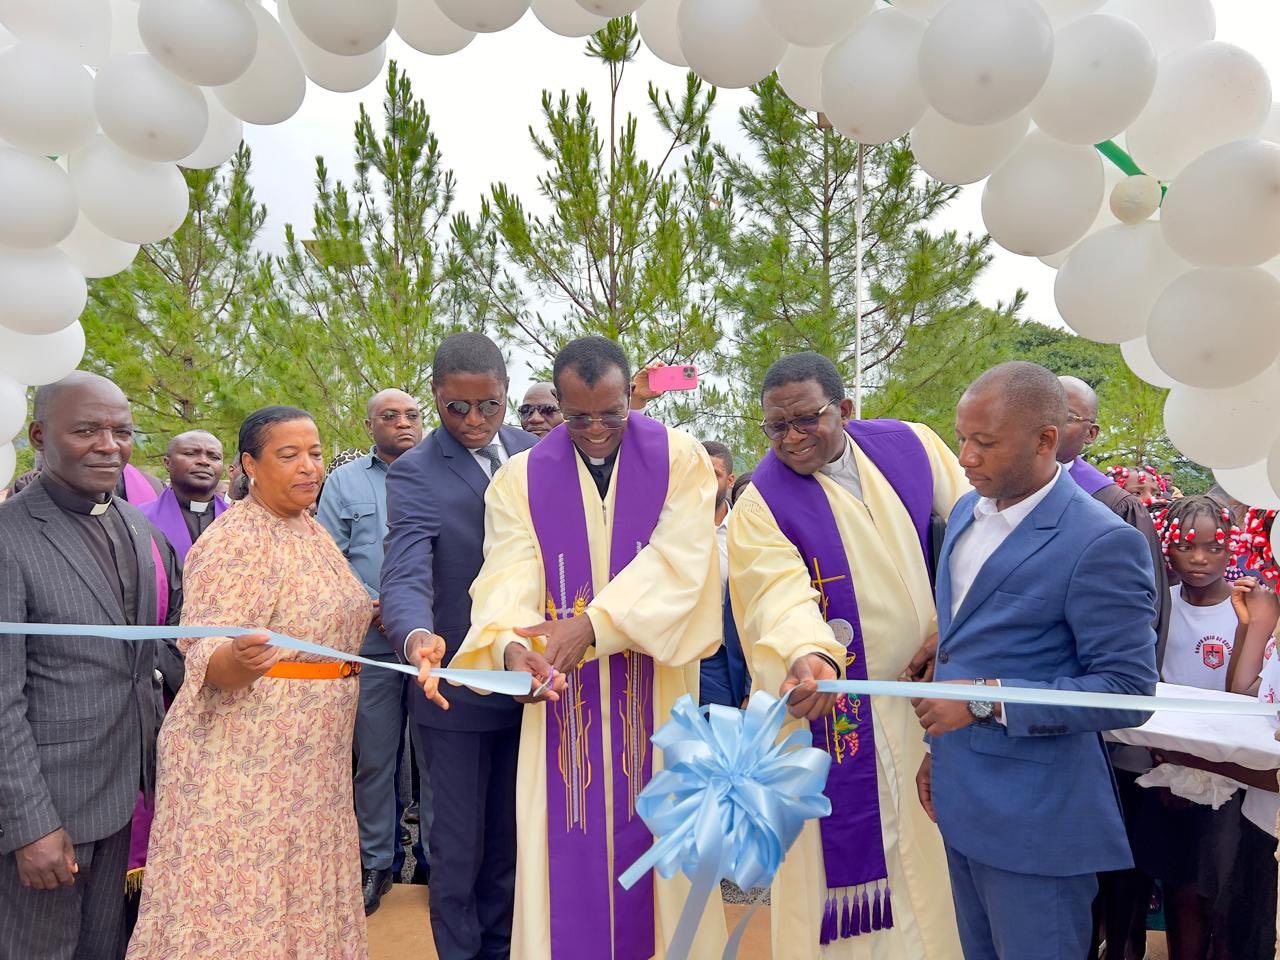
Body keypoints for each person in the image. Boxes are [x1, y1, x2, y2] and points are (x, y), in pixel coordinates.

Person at [125, 406, 446, 960]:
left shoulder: (310, 532)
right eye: (289, 455)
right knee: (243, 911)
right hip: (244, 769)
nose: (308, 468)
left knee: (297, 904)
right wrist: (237, 660)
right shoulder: (235, 541)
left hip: (308, 766)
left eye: (316, 454)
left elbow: (326, 613)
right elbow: (205, 651)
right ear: (250, 465)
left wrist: (403, 627)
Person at [451, 335, 727, 960]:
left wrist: (594, 626)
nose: (596, 429)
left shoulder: (679, 458)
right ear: (558, 403)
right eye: (578, 417)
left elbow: (681, 562)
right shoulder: (520, 478)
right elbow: (507, 573)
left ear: (630, 395)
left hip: (656, 698)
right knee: (561, 856)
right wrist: (509, 648)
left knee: (664, 868)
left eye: (610, 414)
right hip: (560, 705)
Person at [727, 351, 968, 960]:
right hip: (833, 713)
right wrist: (811, 656)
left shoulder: (911, 447)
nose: (792, 438)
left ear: (846, 410)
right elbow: (774, 594)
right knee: (841, 889)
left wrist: (954, 628)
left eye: (806, 420)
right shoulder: (761, 500)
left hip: (924, 703)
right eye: (776, 427)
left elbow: (979, 527)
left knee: (931, 861)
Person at [920, 361, 1158, 960]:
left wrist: (980, 702)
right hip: (961, 799)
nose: (966, 456)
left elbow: (1126, 689)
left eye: (985, 442)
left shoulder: (1101, 541)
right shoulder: (966, 522)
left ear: (1046, 440)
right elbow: (965, 646)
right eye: (962, 437)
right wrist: (938, 756)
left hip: (1038, 823)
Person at [0, 372, 183, 960]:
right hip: (49, 809)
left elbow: (157, 655)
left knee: (106, 948)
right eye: (86, 430)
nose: (109, 445)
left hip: (126, 796)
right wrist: (30, 824)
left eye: (122, 431)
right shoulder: (9, 538)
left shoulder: (135, 526)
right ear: (38, 435)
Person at [381, 334, 537, 960]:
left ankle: (504, 949)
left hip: (533, 684)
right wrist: (418, 637)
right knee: (458, 848)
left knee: (512, 840)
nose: (474, 421)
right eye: (456, 408)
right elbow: (405, 570)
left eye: (490, 405)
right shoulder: (415, 471)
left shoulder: (538, 454)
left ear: (507, 393)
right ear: (436, 398)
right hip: (453, 691)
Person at [1054, 376, 1170, 960]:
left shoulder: (1114, 507)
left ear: (1091, 432)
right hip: (1041, 728)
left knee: (1112, 863)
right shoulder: (995, 507)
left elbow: (1147, 621)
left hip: (1103, 729)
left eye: (1065, 414)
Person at [317, 389, 430, 915]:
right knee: (375, 760)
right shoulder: (343, 483)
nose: (402, 423)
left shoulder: (443, 474)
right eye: (389, 416)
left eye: (411, 415)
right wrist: (378, 607)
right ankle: (376, 862)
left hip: (437, 645)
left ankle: (436, 858)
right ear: (370, 426)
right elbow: (328, 558)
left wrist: (413, 613)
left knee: (437, 759)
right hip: (372, 643)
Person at [1134, 497, 1249, 960]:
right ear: (1167, 548)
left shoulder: (1248, 608)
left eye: (1213, 548)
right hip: (1160, 765)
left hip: (1229, 772)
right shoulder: (1159, 606)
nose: (1199, 559)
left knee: (1220, 892)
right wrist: (1166, 758)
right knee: (1178, 886)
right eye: (1184, 546)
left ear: (1232, 549)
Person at [699, 440, 749, 708]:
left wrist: (751, 687)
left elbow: (755, 608)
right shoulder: (669, 528)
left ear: (729, 480)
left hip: (722, 661)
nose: (705, 481)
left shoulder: (745, 533)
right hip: (674, 660)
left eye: (714, 474)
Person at [138, 430, 229, 563]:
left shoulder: (240, 520)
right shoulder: (140, 518)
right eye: (191, 454)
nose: (204, 461)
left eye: (214, 457)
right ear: (167, 463)